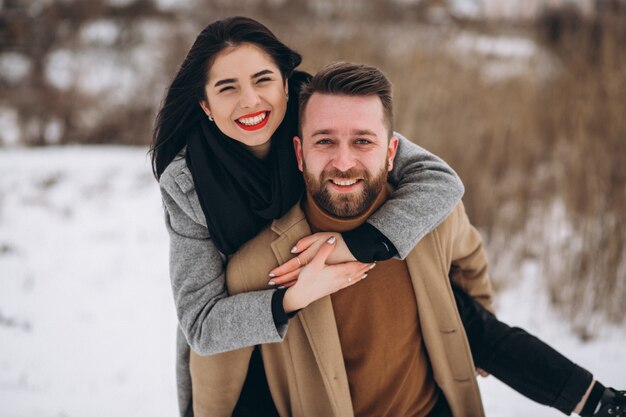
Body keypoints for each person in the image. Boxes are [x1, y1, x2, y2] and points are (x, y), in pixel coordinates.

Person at [193, 62, 625, 417]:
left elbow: (469, 260)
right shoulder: (258, 263)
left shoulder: (431, 218)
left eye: (363, 141)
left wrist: (469, 331)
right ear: (300, 151)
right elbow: (218, 379)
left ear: (391, 152)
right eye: (325, 141)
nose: (344, 162)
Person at [151, 16, 465, 417]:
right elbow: (201, 324)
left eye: (262, 80)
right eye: (227, 88)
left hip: (339, 323)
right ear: (205, 105)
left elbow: (440, 180)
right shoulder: (187, 183)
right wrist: (292, 296)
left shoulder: (323, 120)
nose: (249, 101)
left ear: (286, 84)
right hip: (250, 354)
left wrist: (350, 245)